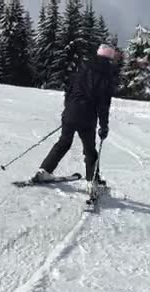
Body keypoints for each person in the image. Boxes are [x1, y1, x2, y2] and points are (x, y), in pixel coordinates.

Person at [32, 44, 117, 186]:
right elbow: (103, 104)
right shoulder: (106, 74)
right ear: (110, 58)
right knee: (90, 150)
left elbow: (69, 89)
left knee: (63, 143)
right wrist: (104, 126)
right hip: (87, 117)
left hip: (71, 111)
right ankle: (92, 181)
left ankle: (44, 171)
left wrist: (68, 110)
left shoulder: (83, 67)